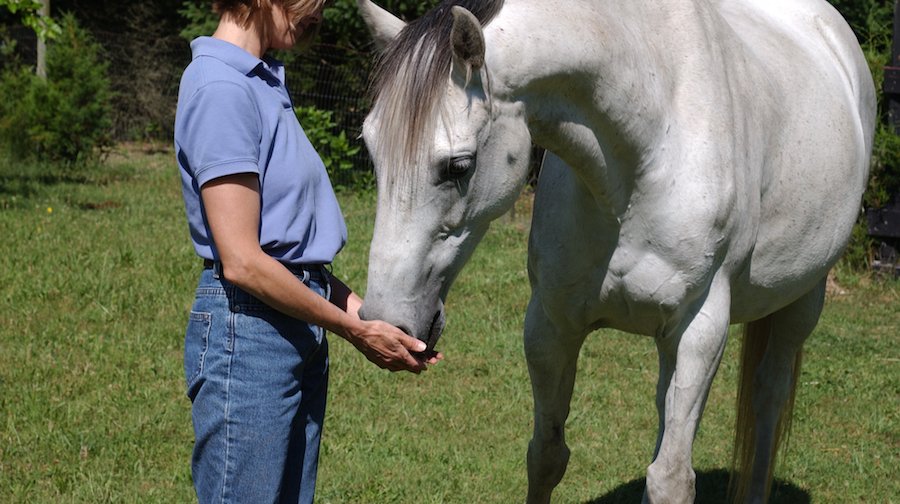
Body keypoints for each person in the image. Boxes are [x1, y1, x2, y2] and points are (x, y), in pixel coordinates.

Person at [174, 1, 442, 502]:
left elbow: (293, 257)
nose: (318, 13)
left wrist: (370, 317)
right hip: (249, 335)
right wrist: (352, 329)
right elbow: (244, 261)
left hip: (289, 325)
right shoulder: (221, 88)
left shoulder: (262, 83)